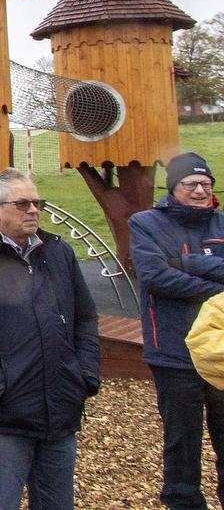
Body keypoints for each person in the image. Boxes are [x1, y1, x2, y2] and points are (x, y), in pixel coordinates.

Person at [0, 167, 100, 509]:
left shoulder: (59, 253)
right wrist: (0, 385)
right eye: (22, 203)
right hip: (3, 416)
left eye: (36, 202)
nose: (33, 209)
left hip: (59, 409)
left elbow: (85, 317)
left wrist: (84, 375)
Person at [129, 151, 224, 509]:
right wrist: (217, 282)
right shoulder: (146, 223)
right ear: (173, 187)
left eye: (206, 183)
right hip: (173, 350)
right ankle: (183, 502)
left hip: (220, 351)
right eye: (191, 183)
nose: (200, 190)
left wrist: (186, 262)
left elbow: (172, 271)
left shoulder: (221, 223)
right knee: (182, 440)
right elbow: (155, 277)